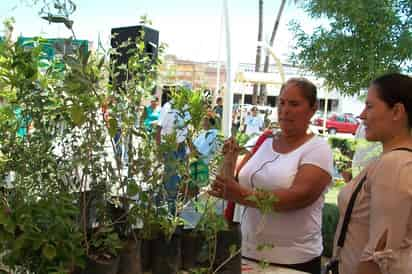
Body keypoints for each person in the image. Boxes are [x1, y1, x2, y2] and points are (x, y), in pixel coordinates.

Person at [209, 78, 333, 274]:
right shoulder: (263, 140)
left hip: (293, 261)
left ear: (312, 109)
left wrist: (241, 194)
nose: (285, 110)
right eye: (281, 103)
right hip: (248, 252)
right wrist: (229, 159)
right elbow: (229, 185)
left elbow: (298, 197)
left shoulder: (318, 149)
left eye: (294, 104)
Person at [332, 73, 412, 274]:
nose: (361, 115)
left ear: (397, 111)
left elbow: (379, 256)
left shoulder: (395, 164)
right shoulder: (393, 161)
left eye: (369, 106)